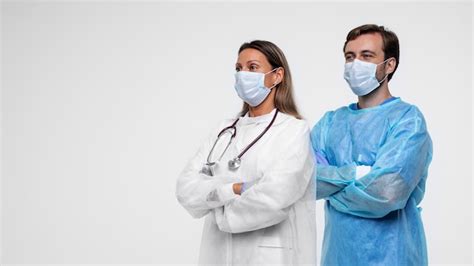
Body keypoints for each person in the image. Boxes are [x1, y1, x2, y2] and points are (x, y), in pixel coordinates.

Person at [176, 40, 316, 265]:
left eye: (252, 68)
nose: (243, 75)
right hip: (218, 253)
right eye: (238, 69)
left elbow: (277, 197)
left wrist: (216, 204)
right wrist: (233, 189)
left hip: (268, 256)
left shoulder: (293, 130)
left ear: (277, 75)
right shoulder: (224, 130)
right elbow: (185, 188)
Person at [311, 24, 433, 265]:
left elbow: (386, 193)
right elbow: (304, 180)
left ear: (389, 65)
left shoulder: (408, 120)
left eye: (367, 56)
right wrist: (357, 173)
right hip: (337, 255)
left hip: (393, 255)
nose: (356, 64)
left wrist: (332, 184)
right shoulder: (330, 123)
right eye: (350, 57)